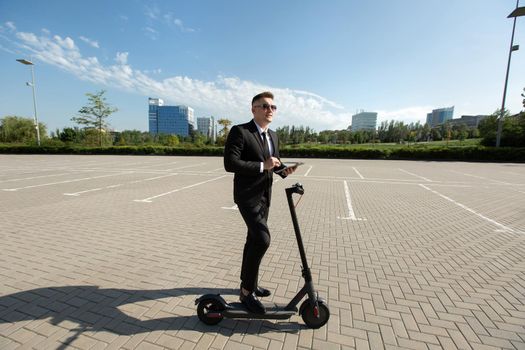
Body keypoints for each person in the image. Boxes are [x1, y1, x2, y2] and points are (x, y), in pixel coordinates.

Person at [224, 91, 297, 314]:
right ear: (253, 109)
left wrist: (284, 170)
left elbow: (273, 163)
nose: (269, 110)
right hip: (247, 196)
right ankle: (247, 293)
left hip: (265, 196)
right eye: (264, 106)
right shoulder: (240, 131)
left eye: (273, 107)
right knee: (263, 239)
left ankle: (249, 283)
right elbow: (230, 163)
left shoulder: (273, 135)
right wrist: (261, 166)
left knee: (253, 240)